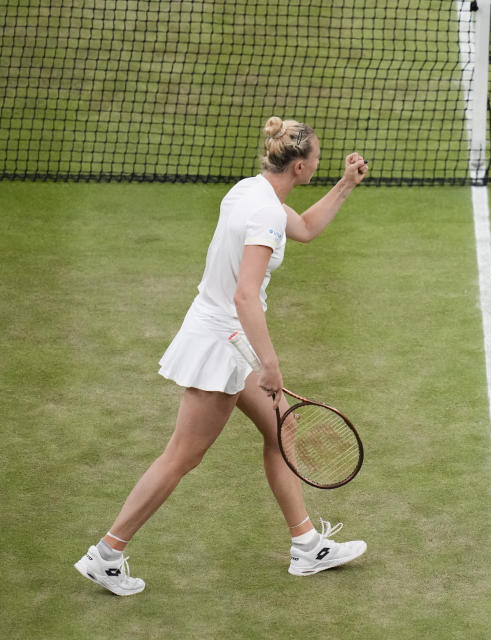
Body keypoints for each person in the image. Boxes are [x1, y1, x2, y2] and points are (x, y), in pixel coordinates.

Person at [75, 116, 370, 595]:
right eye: (318, 160)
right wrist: (269, 364)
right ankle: (107, 553)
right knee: (182, 456)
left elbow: (308, 228)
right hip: (224, 345)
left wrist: (344, 185)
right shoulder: (267, 216)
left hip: (227, 339)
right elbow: (245, 297)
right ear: (298, 166)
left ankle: (306, 546)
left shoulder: (250, 191)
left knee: (283, 428)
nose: (320, 163)